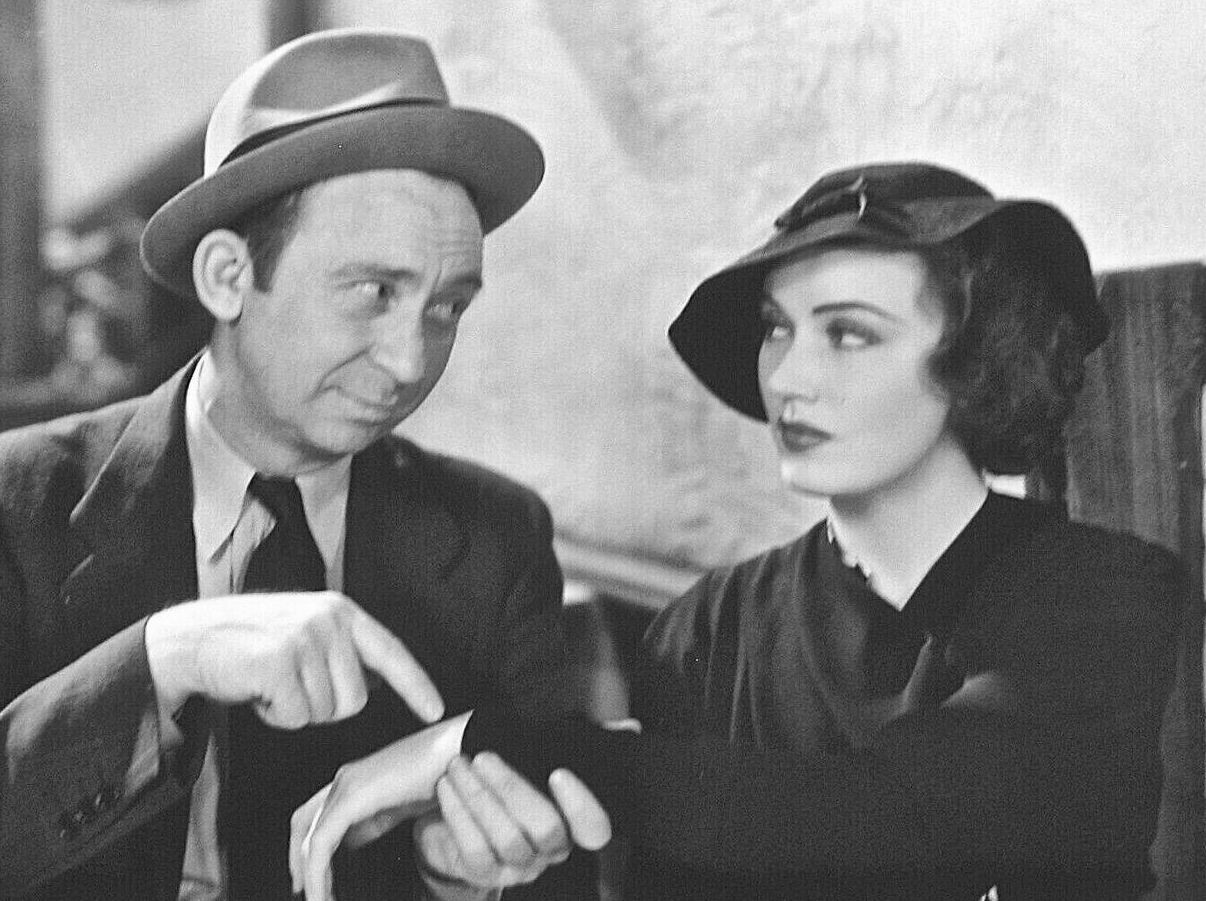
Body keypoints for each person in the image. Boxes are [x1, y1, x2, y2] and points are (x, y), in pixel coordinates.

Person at [290, 162, 1186, 901]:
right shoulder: (707, 628)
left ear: (975, 360)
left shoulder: (1106, 592)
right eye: (775, 329)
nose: (788, 377)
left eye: (849, 334)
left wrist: (487, 741)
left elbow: (894, 815)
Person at [0, 28, 603, 901]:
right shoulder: (17, 500)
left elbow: (557, 863)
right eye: (373, 292)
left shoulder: (496, 537)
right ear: (227, 276)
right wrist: (167, 657)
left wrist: (454, 872)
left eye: (446, 307)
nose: (409, 362)